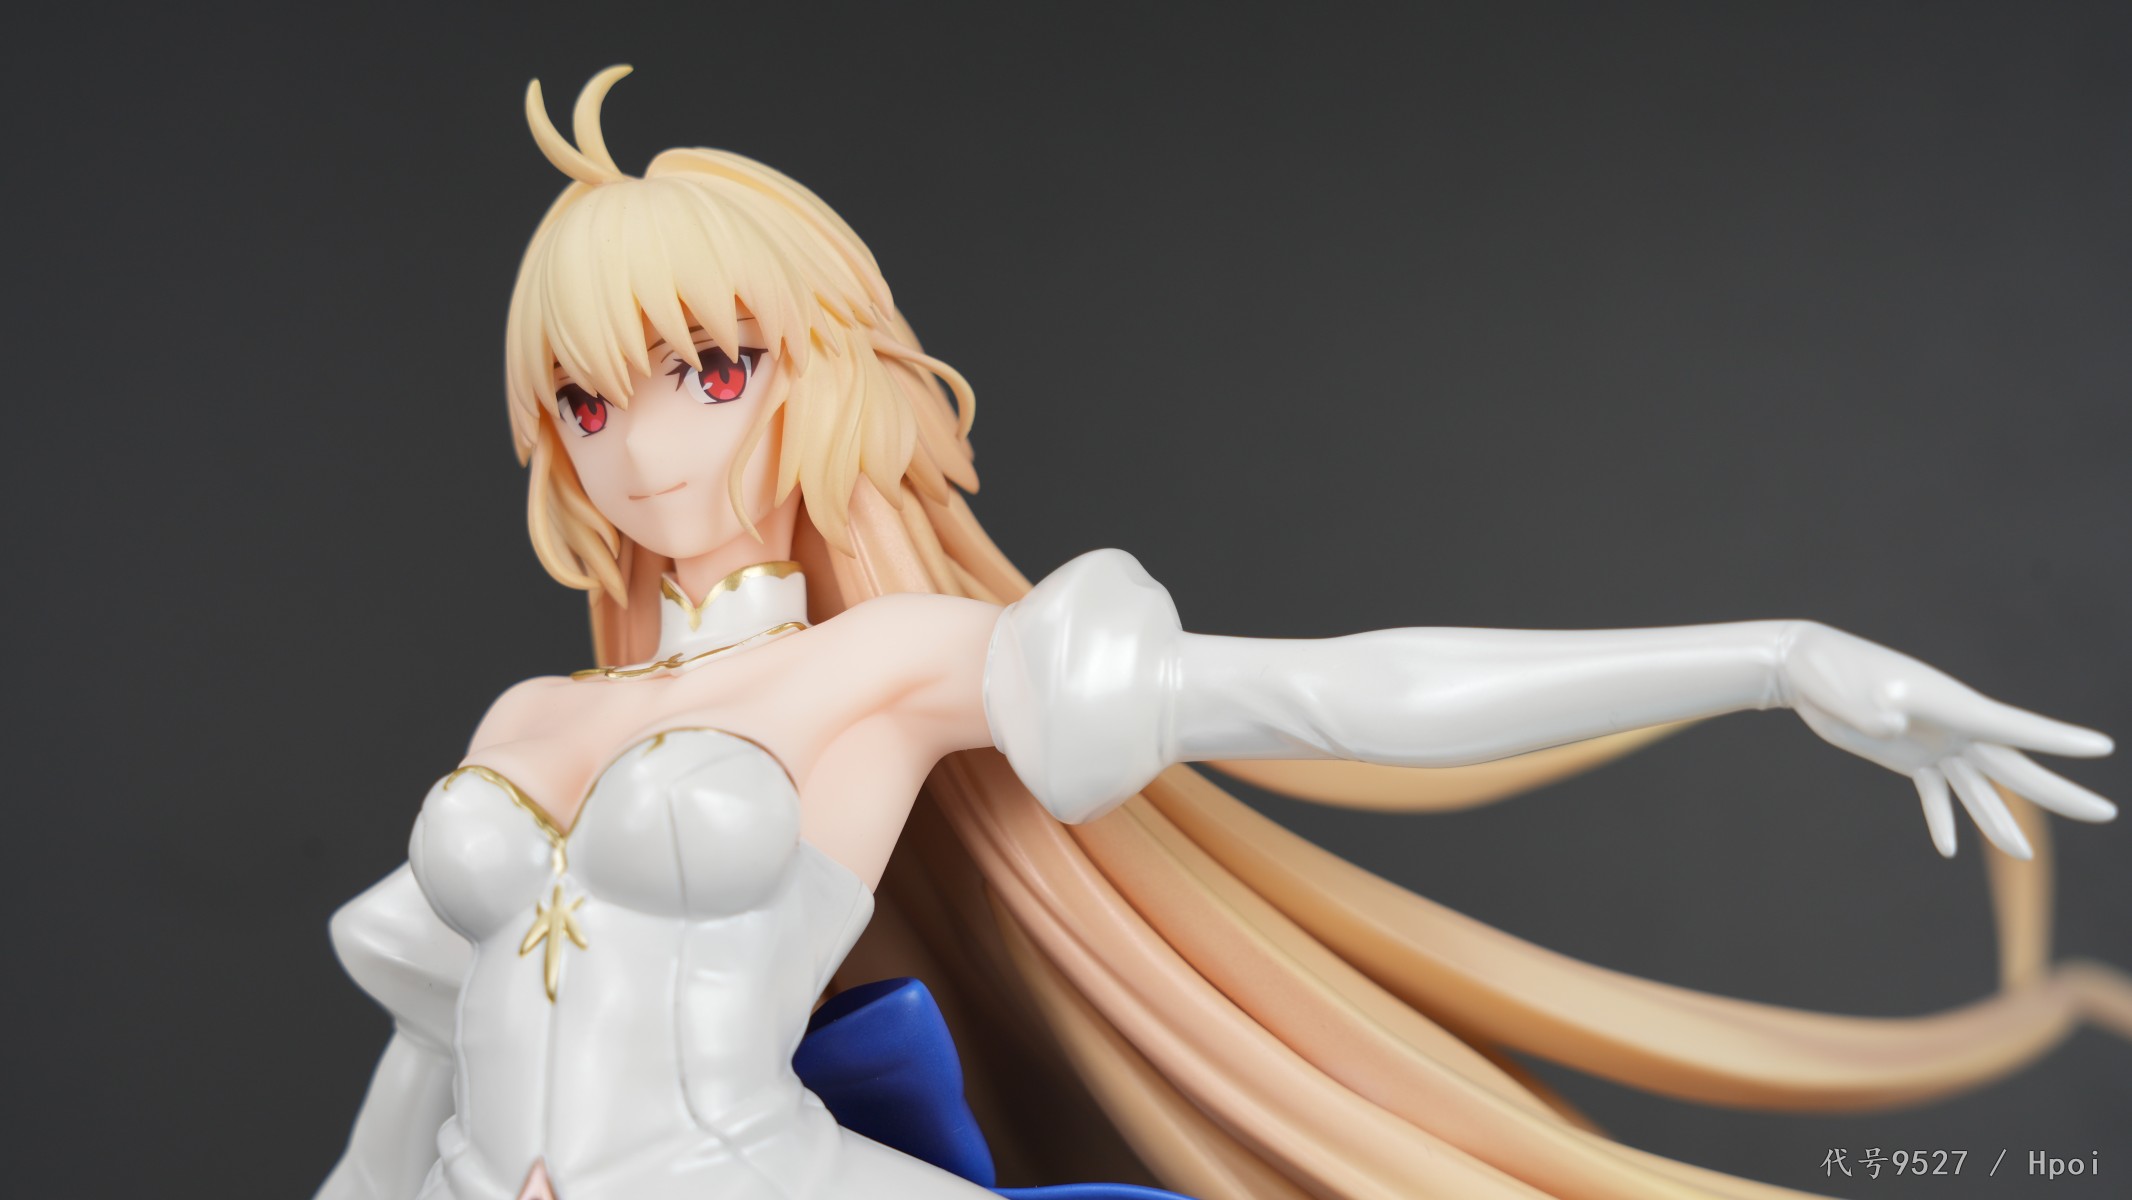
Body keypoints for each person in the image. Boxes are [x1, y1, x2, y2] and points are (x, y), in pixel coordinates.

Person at [317, 66, 2131, 1200]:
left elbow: (1330, 696)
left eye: (707, 369)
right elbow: (428, 1069)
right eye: (584, 398)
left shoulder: (884, 668)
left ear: (818, 371)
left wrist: (1772, 657)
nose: (641, 444)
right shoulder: (529, 716)